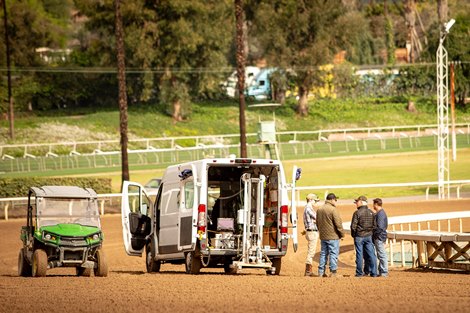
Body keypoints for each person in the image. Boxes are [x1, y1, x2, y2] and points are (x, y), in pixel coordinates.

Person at [316, 193, 345, 277]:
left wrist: (321, 231)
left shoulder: (319, 209)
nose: (336, 202)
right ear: (332, 200)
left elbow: (318, 223)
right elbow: (338, 224)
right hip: (333, 236)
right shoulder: (333, 210)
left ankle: (321, 272)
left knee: (323, 253)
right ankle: (333, 272)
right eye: (335, 200)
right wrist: (342, 234)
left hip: (323, 236)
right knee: (333, 253)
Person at [350, 195, 377, 277]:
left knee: (359, 255)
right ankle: (374, 272)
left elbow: (353, 226)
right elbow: (374, 226)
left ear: (361, 202)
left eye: (357, 202)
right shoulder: (371, 212)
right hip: (368, 236)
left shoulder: (357, 213)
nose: (356, 204)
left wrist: (354, 235)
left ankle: (359, 273)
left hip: (359, 236)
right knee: (371, 254)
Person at [303, 193, 320, 277]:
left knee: (311, 251)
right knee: (311, 252)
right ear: (310, 200)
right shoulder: (309, 208)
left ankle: (308, 270)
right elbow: (318, 218)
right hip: (312, 232)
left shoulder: (307, 208)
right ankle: (308, 271)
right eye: (315, 200)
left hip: (310, 231)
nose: (315, 202)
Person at [372, 198, 389, 277]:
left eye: (373, 204)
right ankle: (382, 271)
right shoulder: (379, 213)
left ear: (376, 204)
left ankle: (384, 272)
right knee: (380, 254)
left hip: (379, 237)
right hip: (380, 236)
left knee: (382, 255)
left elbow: (380, 227)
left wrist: (375, 234)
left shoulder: (380, 214)